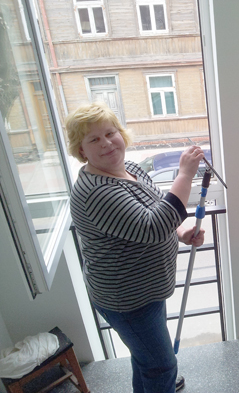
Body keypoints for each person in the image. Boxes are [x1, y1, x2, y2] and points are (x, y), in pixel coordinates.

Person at [66, 102, 205, 393]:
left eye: (110, 133)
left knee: (146, 358)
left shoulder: (129, 168)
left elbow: (155, 208)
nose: (106, 143)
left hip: (146, 291)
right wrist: (185, 175)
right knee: (162, 366)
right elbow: (153, 227)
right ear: (81, 150)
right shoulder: (97, 192)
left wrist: (181, 232)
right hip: (128, 301)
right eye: (94, 139)